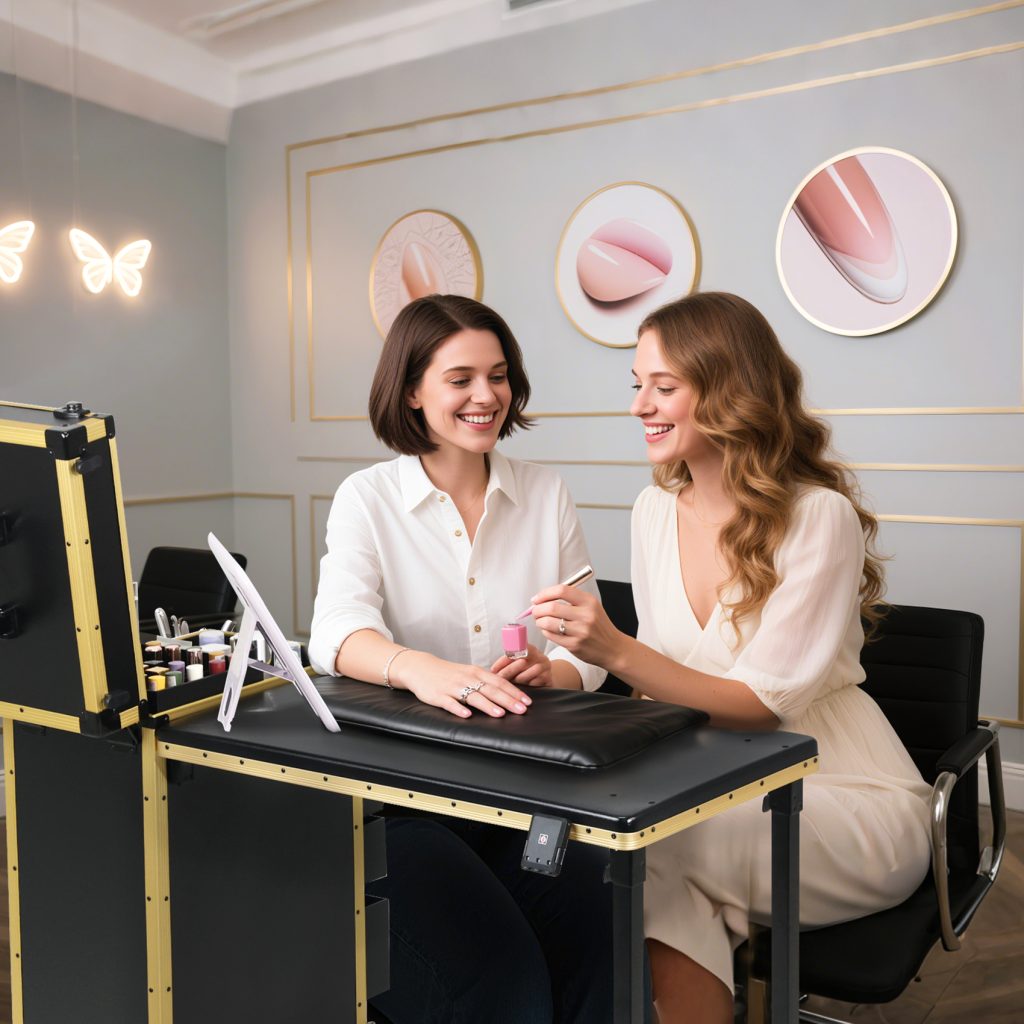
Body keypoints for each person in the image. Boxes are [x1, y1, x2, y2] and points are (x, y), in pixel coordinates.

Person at [526, 292, 932, 1024]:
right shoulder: (653, 511)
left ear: (727, 390)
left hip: (835, 790)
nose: (639, 406)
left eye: (664, 387)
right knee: (659, 862)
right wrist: (566, 675)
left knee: (653, 849)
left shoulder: (818, 516)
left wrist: (614, 649)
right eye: (637, 384)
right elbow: (661, 681)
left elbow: (760, 707)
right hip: (708, 784)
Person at [308, 294, 617, 1024]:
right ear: (412, 391)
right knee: (505, 988)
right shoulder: (367, 498)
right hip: (406, 803)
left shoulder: (544, 492)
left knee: (603, 944)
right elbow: (336, 634)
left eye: (498, 375)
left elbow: (587, 647)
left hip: (526, 793)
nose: (487, 395)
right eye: (461, 379)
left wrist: (553, 670)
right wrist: (425, 670)